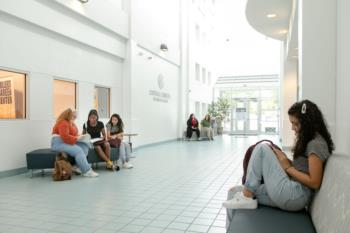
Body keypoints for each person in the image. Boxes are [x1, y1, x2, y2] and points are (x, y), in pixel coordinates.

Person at [223, 100, 334, 229]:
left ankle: (247, 196)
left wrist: (288, 167)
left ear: (307, 123)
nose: (293, 128)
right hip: (292, 193)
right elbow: (305, 169)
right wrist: (285, 161)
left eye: (295, 123)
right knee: (234, 192)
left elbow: (315, 181)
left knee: (262, 149)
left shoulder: (316, 143)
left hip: (296, 194)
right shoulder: (311, 140)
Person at [51, 108, 99, 178]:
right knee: (78, 150)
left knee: (84, 146)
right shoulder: (63, 122)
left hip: (65, 142)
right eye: (74, 116)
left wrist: (82, 138)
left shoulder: (72, 123)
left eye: (76, 116)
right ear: (68, 115)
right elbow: (65, 137)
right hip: (58, 143)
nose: (75, 117)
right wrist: (77, 138)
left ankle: (77, 167)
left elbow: (75, 134)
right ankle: (87, 171)